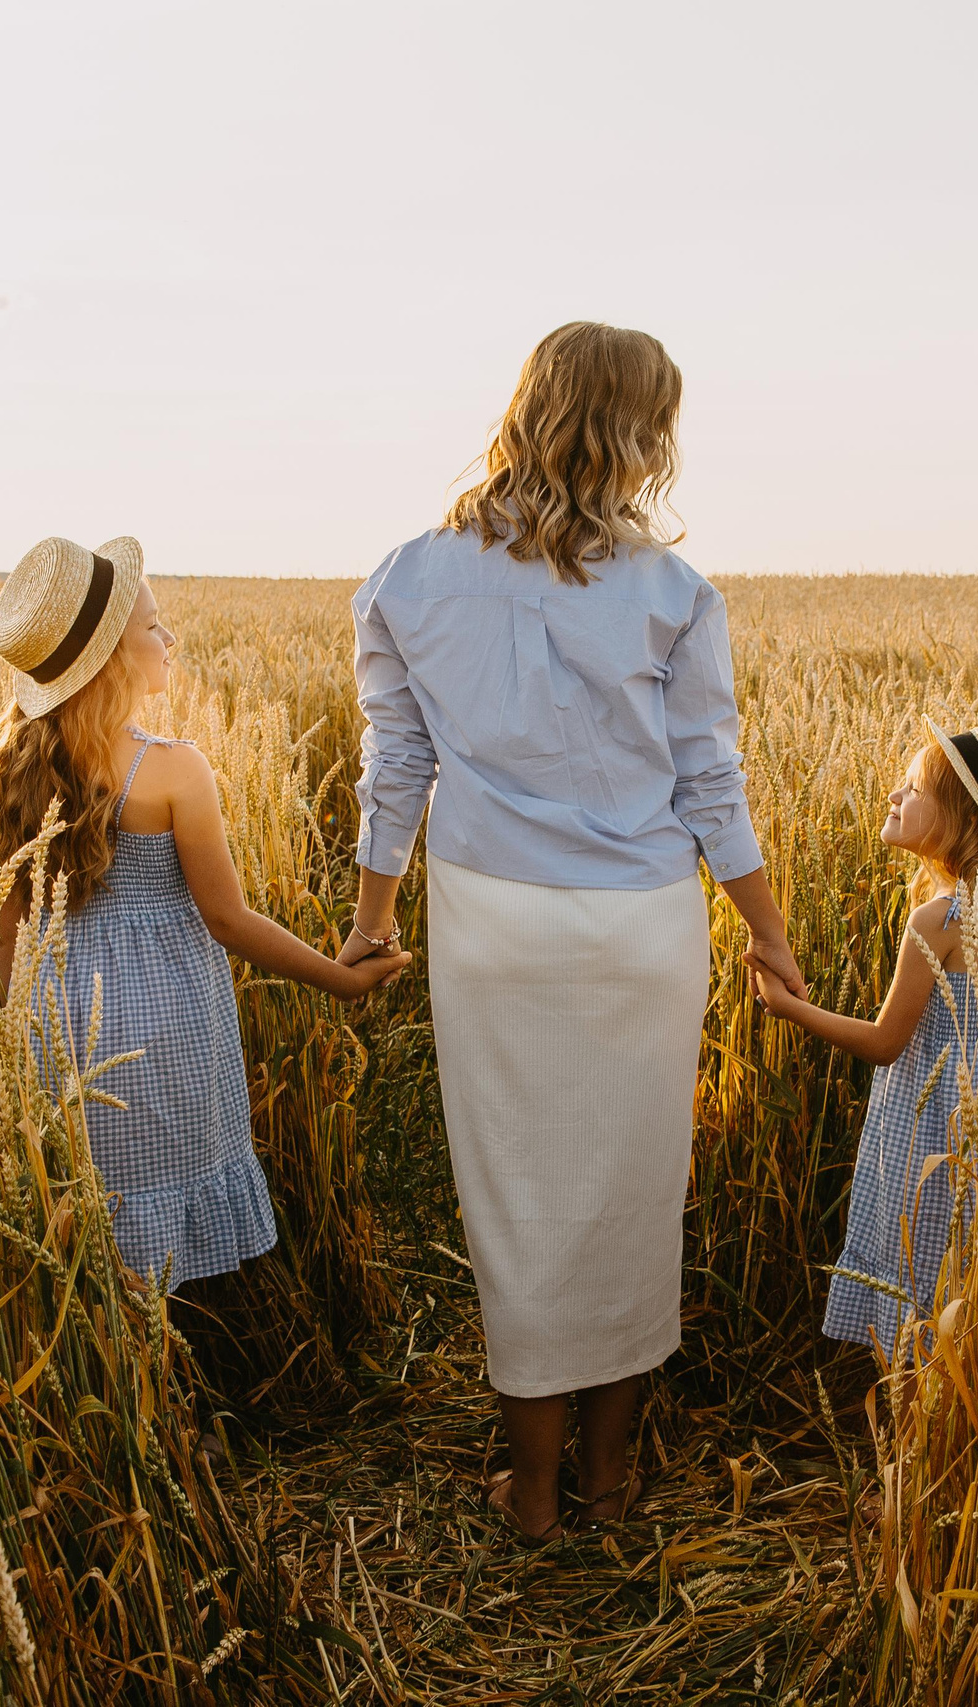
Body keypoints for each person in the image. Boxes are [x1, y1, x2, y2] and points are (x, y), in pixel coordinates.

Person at [341, 324, 801, 1544]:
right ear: (640, 431)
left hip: (490, 926)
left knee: (520, 1198)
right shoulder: (671, 591)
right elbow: (712, 785)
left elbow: (398, 767)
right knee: (630, 1196)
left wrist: (369, 920)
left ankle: (532, 1492)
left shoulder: (405, 576)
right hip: (641, 928)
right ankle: (609, 1481)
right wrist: (768, 933)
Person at [0, 535, 409, 1291]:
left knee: (91, 1225)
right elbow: (230, 920)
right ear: (111, 658)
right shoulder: (174, 768)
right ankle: (171, 1376)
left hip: (62, 1026)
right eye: (153, 625)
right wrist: (335, 979)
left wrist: (14, 1041)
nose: (168, 637)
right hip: (162, 1030)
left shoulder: (15, 763)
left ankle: (125, 1384)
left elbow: (11, 920)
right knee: (158, 1229)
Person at [748, 719, 978, 1355]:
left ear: (957, 818)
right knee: (964, 1286)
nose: (893, 795)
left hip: (930, 1132)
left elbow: (887, 1042)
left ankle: (907, 1437)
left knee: (916, 1290)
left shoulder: (938, 919)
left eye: (912, 788)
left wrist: (788, 1008)